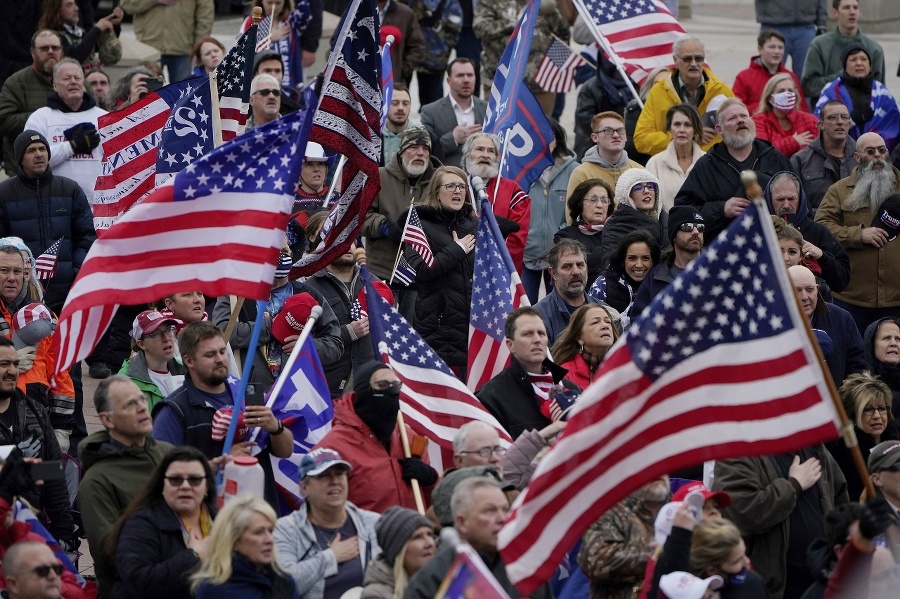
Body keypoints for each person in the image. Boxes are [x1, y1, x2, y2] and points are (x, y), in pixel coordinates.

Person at [78, 375, 173, 599]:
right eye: (130, 404)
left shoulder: (168, 453)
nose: (142, 407)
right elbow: (109, 551)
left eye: (141, 400)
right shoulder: (97, 480)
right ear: (107, 420)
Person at [152, 322, 295, 468]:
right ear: (189, 361)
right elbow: (163, 468)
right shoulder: (174, 410)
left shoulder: (246, 395)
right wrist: (221, 462)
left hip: (258, 489)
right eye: (210, 355)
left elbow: (285, 452)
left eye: (222, 352)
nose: (220, 359)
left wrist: (275, 427)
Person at [714, 444, 848, 599]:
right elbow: (743, 512)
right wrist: (794, 485)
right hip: (778, 586)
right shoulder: (736, 452)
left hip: (825, 579)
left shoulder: (812, 445)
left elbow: (840, 497)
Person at [213, 252, 344, 405]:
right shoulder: (235, 295)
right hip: (252, 391)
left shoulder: (309, 295)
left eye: (284, 251)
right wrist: (270, 326)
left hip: (299, 391)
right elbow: (221, 336)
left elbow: (336, 343)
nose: (279, 255)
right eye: (271, 249)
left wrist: (308, 346)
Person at [312, 361, 438, 512]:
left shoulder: (409, 438)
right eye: (383, 385)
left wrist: (431, 480)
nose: (392, 392)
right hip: (365, 535)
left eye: (396, 385)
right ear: (365, 392)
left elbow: (436, 509)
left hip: (414, 533)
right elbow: (320, 510)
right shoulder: (333, 448)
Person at [404, 476, 554, 598]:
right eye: (490, 510)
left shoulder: (525, 567)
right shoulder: (433, 578)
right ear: (461, 522)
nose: (502, 518)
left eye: (505, 510)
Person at [814, 132, 900, 333]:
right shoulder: (839, 190)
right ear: (857, 157)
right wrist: (857, 235)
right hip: (852, 298)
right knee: (856, 360)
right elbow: (821, 227)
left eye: (881, 150)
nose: (877, 155)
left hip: (897, 297)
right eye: (870, 151)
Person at [674, 98, 793, 242]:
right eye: (732, 118)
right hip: (727, 249)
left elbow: (799, 201)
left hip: (775, 245)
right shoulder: (707, 165)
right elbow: (683, 210)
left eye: (744, 116)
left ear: (752, 121)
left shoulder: (776, 158)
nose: (740, 121)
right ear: (719, 129)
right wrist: (722, 209)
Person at [107, 446, 217, 599]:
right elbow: (140, 584)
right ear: (162, 486)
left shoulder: (221, 520)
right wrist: (193, 556)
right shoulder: (140, 524)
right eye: (175, 480)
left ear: (206, 486)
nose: (185, 486)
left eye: (195, 480)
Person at [274, 448, 381, 599]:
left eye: (339, 474)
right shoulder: (285, 530)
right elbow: (282, 585)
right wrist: (330, 557)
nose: (335, 481)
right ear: (304, 488)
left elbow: (392, 575)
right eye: (323, 476)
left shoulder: (372, 523)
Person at [0, 336, 75, 551]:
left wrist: (63, 529)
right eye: (4, 364)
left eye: (15, 364)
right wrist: (12, 458)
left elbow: (52, 476)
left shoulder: (34, 411)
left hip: (31, 531)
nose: (12, 371)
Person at [403, 166, 477, 376]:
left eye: (462, 186)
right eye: (451, 186)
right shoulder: (420, 226)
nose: (457, 191)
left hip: (470, 325)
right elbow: (421, 271)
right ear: (437, 191)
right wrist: (457, 249)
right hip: (437, 325)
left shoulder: (476, 226)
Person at [364, 127, 440, 321]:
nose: (420, 153)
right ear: (401, 150)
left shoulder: (439, 181)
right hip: (382, 272)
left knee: (411, 338)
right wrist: (384, 226)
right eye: (414, 147)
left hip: (421, 275)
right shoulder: (378, 176)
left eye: (425, 149)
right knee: (380, 331)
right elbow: (360, 218)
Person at [476, 307, 579, 439]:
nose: (537, 339)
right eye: (528, 334)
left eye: (541, 333)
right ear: (510, 345)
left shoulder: (571, 388)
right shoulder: (491, 397)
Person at [633, 35, 734, 156]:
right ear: (675, 60)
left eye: (699, 58)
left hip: (713, 162)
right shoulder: (659, 91)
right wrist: (686, 137)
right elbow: (642, 140)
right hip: (671, 165)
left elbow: (735, 131)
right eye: (687, 59)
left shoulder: (721, 91)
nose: (693, 63)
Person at [25, 58, 105, 204]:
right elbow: (31, 162)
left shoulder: (103, 117)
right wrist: (72, 146)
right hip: (54, 204)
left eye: (77, 78)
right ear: (55, 85)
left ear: (83, 83)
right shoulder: (40, 118)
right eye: (66, 78)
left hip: (97, 205)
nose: (73, 82)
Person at [579, 475, 670, 599]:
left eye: (662, 464)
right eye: (648, 464)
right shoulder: (609, 510)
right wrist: (659, 553)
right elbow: (596, 560)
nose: (658, 471)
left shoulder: (685, 508)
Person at [304, 245, 375, 398]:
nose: (348, 246)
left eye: (352, 241)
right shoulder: (310, 287)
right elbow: (304, 343)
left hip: (368, 386)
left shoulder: (373, 283)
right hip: (328, 388)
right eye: (342, 239)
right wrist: (347, 333)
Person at [192, 496, 297, 599]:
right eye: (259, 532)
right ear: (234, 540)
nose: (269, 539)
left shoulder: (285, 582)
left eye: (270, 531)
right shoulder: (213, 590)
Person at [764, 170, 851, 294]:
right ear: (769, 199)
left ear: (800, 199)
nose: (786, 205)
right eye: (780, 199)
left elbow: (842, 281)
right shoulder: (757, 232)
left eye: (791, 198)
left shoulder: (818, 232)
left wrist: (822, 256)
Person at [523, 119, 579, 303]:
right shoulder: (521, 169)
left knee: (558, 306)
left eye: (549, 136)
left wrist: (563, 232)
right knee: (525, 307)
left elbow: (577, 210)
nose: (544, 141)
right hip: (527, 252)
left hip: (560, 253)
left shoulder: (573, 169)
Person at [461, 132, 531, 271]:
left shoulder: (513, 190)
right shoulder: (456, 185)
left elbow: (518, 236)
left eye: (491, 151)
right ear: (468, 155)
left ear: (496, 157)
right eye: (479, 149)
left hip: (498, 270)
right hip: (461, 267)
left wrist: (492, 259)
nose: (485, 155)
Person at [826, 372, 899, 502]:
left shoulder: (895, 441)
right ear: (853, 415)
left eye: (882, 408)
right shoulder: (845, 451)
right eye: (868, 410)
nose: (877, 415)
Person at [788, 265, 865, 387]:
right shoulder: (771, 322)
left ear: (817, 290)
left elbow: (858, 368)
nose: (804, 297)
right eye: (797, 290)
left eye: (809, 289)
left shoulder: (841, 319)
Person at [814, 44, 899, 152]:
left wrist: (871, 148)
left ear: (869, 64)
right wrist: (849, 121)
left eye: (863, 59)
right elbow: (818, 125)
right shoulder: (830, 91)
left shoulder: (883, 93)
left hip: (878, 157)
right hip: (839, 156)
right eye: (853, 59)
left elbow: (893, 126)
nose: (859, 63)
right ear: (845, 65)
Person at [0, 30, 62, 177]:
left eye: (55, 47)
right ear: (33, 52)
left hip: (65, 170)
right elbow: (3, 121)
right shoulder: (15, 83)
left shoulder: (76, 80)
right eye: (44, 48)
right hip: (23, 173)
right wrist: (43, 116)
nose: (51, 51)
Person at [801, 0, 885, 101]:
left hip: (865, 112)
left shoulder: (874, 49)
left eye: (855, 8)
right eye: (846, 8)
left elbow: (880, 92)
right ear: (834, 13)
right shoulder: (819, 45)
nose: (852, 12)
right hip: (828, 111)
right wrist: (843, 76)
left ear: (859, 12)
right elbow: (808, 87)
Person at [630, 206, 704, 318]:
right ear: (674, 235)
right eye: (687, 227)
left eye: (700, 227)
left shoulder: (716, 270)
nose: (695, 232)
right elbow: (638, 321)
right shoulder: (656, 276)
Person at [790, 99, 858, 214]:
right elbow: (794, 204)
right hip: (817, 226)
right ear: (821, 124)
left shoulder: (864, 156)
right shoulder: (800, 160)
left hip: (858, 227)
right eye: (832, 117)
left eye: (844, 117)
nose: (840, 122)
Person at [120, 0, 214, 83]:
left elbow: (205, 14)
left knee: (182, 96)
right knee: (149, 96)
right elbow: (127, 5)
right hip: (148, 48)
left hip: (182, 49)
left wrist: (199, 45)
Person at [534, 239, 606, 345]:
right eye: (567, 266)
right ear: (553, 273)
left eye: (580, 265)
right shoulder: (539, 317)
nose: (576, 272)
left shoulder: (605, 312)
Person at [239, 0, 321, 92]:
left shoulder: (291, 22)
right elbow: (240, 48)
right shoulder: (250, 21)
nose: (274, 7)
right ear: (261, 2)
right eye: (269, 3)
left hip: (288, 83)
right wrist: (269, 38)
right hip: (260, 83)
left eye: (278, 3)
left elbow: (306, 15)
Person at [419, 58, 486, 169]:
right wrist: (452, 138)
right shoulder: (430, 111)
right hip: (447, 178)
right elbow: (425, 150)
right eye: (460, 75)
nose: (466, 80)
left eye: (470, 75)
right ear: (448, 81)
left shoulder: (488, 110)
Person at [600, 168, 668, 270]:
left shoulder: (666, 220)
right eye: (638, 188)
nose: (646, 191)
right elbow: (613, 266)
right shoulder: (616, 226)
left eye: (650, 186)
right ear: (627, 195)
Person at [118, 310, 186, 413]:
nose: (166, 338)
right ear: (141, 344)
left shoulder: (187, 370)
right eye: (156, 334)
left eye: (168, 330)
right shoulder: (126, 382)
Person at [361, 507, 435, 599]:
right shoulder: (375, 595)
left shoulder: (441, 580)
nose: (430, 543)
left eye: (430, 534)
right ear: (398, 550)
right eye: (417, 537)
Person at [568, 111, 642, 202]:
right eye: (608, 131)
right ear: (595, 137)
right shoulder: (582, 174)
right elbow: (573, 214)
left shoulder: (639, 172)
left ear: (626, 136)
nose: (616, 135)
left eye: (620, 130)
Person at [554, 179, 615, 288]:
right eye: (593, 200)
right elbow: (579, 266)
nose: (600, 205)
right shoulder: (565, 236)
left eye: (604, 200)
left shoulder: (616, 232)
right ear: (580, 203)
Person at [645, 104, 705, 211]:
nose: (682, 130)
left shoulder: (707, 161)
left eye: (687, 125)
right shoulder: (654, 163)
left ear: (695, 130)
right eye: (677, 124)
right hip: (666, 226)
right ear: (669, 128)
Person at [403, 0, 462, 108]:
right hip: (406, 56)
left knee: (432, 105)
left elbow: (455, 24)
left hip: (434, 57)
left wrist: (445, 47)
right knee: (399, 100)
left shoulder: (448, 2)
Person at [590, 230, 660, 321]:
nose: (639, 265)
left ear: (653, 261)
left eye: (645, 258)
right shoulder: (603, 284)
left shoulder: (661, 286)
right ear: (623, 260)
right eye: (632, 258)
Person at [733, 29, 808, 113]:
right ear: (760, 49)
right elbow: (736, 110)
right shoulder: (744, 77)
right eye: (772, 47)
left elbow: (801, 109)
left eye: (780, 48)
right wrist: (767, 104)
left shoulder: (790, 77)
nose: (777, 51)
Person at [38, 0, 122, 73]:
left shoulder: (78, 31)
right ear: (57, 10)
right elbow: (74, 57)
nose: (76, 8)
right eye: (69, 5)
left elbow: (100, 46)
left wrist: (113, 24)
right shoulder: (51, 36)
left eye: (75, 4)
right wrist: (97, 29)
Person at [551, 304, 620, 390]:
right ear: (579, 337)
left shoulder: (621, 368)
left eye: (608, 322)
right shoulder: (565, 374)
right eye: (595, 322)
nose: (605, 326)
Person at [753, 73, 819, 158]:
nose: (787, 94)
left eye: (790, 90)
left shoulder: (811, 121)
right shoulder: (759, 121)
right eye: (781, 91)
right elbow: (762, 152)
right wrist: (793, 142)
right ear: (770, 98)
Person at [287, 142, 331, 256]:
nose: (316, 169)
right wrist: (300, 221)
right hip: (296, 268)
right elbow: (280, 242)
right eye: (309, 164)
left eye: (321, 164)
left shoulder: (340, 199)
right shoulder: (286, 200)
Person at [864, 318, 900, 413]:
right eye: (886, 338)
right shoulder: (860, 391)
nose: (894, 343)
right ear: (872, 345)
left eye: (898, 339)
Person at [381, 84, 419, 165]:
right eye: (395, 103)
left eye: (405, 103)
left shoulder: (420, 134)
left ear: (410, 107)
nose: (400, 108)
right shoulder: (375, 134)